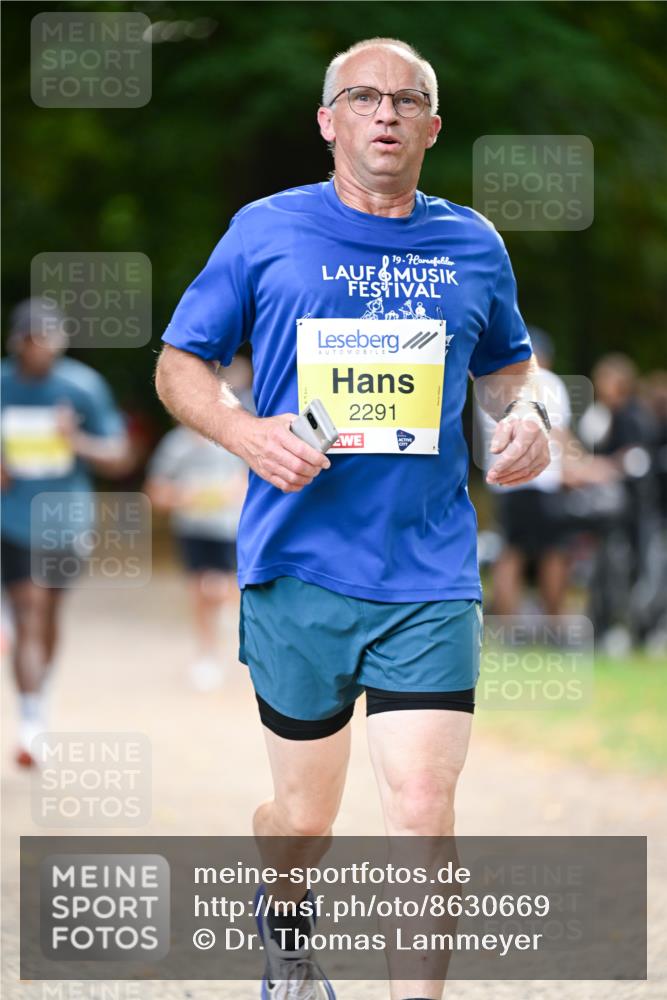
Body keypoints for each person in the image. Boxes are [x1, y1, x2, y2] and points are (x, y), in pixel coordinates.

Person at [155, 37, 550, 1000]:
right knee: (303, 820)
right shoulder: (265, 231)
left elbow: (509, 370)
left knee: (420, 811)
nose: (385, 114)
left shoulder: (472, 244)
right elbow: (178, 365)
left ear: (431, 127)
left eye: (406, 100)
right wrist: (244, 433)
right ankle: (284, 917)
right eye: (364, 98)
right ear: (327, 121)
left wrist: (530, 417)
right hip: (298, 567)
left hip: (428, 570)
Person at [1, 297, 129, 767]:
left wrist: (75, 440)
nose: (43, 348)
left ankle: (40, 691)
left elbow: (120, 457)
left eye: (51, 338)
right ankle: (30, 721)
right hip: (12, 521)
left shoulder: (82, 387)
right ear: (17, 342)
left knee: (49, 614)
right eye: (34, 339)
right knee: (28, 610)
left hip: (66, 521)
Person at [144, 356, 251, 690]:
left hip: (228, 529)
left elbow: (251, 479)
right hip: (192, 529)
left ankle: (232, 625)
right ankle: (206, 654)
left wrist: (235, 492)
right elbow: (155, 491)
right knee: (199, 592)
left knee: (220, 587)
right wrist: (183, 497)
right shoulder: (176, 445)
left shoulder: (235, 436)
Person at [478, 327, 573, 616]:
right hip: (543, 479)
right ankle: (554, 621)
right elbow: (559, 435)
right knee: (553, 552)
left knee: (510, 551)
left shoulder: (491, 383)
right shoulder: (549, 382)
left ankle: (507, 624)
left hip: (504, 480)